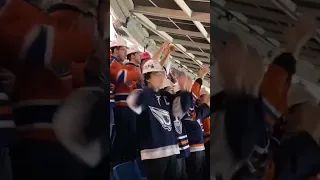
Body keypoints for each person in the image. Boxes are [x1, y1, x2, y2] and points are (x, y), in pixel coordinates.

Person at [127, 59, 193, 180]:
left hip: (172, 150)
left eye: (161, 74)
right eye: (156, 74)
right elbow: (134, 104)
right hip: (153, 153)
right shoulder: (139, 94)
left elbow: (178, 113)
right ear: (147, 78)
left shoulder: (166, 97)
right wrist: (150, 89)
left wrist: (184, 92)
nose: (161, 77)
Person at [110, 36, 140, 164]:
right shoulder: (112, 63)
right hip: (120, 106)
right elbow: (122, 76)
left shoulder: (119, 65)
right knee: (121, 136)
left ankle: (126, 162)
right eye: (123, 50)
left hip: (126, 106)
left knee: (128, 136)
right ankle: (118, 164)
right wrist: (139, 73)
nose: (125, 53)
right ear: (115, 50)